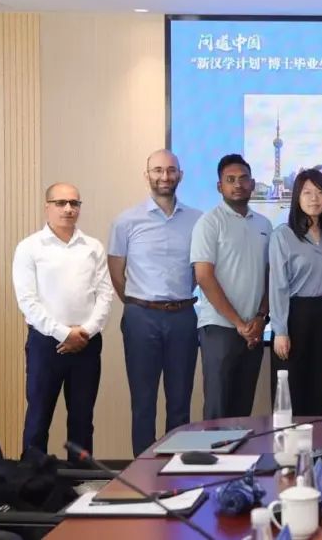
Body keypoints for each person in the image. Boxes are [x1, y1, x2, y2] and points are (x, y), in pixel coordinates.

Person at [109, 150, 202, 456]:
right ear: (147, 175)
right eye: (158, 170)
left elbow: (200, 270)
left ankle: (176, 470)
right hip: (141, 318)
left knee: (180, 403)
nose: (165, 176)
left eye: (171, 170)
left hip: (183, 317)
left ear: (180, 175)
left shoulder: (197, 220)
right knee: (143, 403)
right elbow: (117, 272)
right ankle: (143, 472)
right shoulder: (126, 221)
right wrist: (137, 303)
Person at [13, 183, 113, 458]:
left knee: (82, 420)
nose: (68, 209)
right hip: (46, 343)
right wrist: (63, 333)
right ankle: (32, 479)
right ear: (47, 207)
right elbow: (28, 301)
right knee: (38, 417)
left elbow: (105, 295)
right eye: (60, 203)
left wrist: (85, 331)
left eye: (74, 203)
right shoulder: (29, 247)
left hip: (87, 343)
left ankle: (80, 477)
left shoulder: (92, 247)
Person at [191, 154, 271, 420]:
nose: (238, 184)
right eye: (230, 179)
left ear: (253, 184)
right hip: (219, 329)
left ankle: (239, 451)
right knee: (218, 409)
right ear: (220, 186)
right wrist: (238, 322)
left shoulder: (264, 225)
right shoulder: (209, 223)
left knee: (242, 411)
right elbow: (204, 276)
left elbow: (270, 276)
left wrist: (260, 317)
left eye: (243, 179)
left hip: (254, 330)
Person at [269, 168, 322, 416]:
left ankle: (316, 440)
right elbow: (278, 285)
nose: (314, 199)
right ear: (297, 197)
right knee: (291, 392)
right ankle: (289, 441)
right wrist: (280, 331)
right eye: (307, 192)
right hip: (295, 315)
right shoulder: (283, 235)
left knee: (321, 387)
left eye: (320, 192)